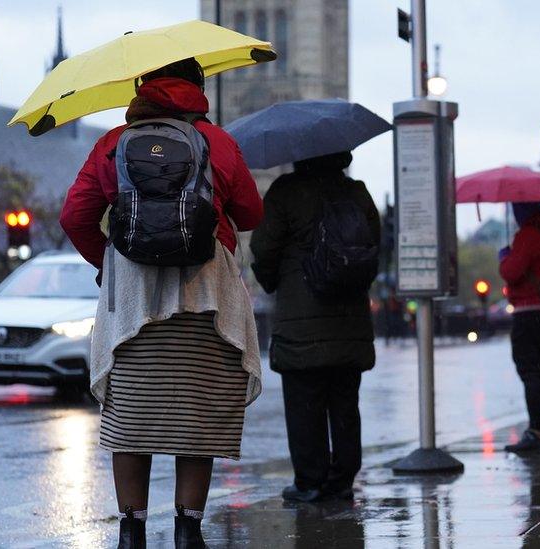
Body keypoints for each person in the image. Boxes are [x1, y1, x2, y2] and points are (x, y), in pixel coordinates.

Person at [60, 58, 264, 548]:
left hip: (132, 298)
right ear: (197, 87)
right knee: (197, 411)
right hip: (206, 294)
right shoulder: (217, 141)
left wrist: (108, 263)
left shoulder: (114, 143)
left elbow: (74, 216)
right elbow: (252, 212)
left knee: (132, 414)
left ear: (143, 86)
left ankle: (131, 530)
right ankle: (188, 527)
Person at [250, 151, 380, 502]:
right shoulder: (357, 192)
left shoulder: (286, 192)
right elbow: (376, 248)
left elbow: (263, 249)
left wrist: (275, 281)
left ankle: (310, 481)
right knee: (345, 404)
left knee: (305, 404)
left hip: (299, 320)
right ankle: (343, 480)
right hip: (350, 320)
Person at [499, 202, 540, 454]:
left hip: (529, 311)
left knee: (531, 371)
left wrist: (504, 258)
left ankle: (535, 431)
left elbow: (512, 272)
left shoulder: (528, 235)